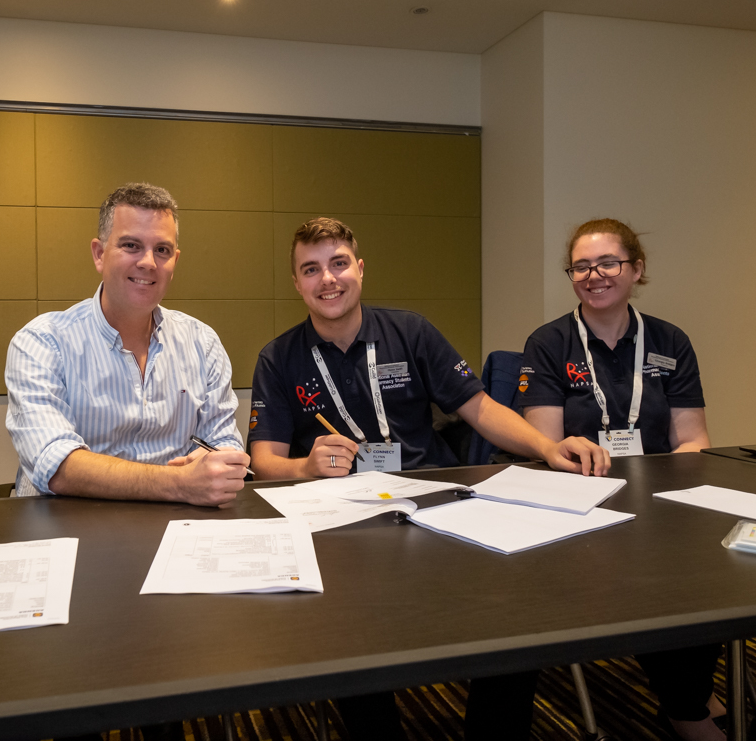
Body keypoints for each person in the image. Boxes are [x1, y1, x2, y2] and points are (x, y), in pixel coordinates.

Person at [248, 217, 611, 741]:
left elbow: (481, 409)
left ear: (360, 269)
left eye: (339, 263)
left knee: (514, 612)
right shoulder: (279, 358)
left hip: (433, 505)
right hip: (345, 523)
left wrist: (548, 447)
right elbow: (264, 461)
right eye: (311, 269)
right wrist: (304, 467)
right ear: (296, 283)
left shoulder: (411, 332)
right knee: (349, 633)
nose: (328, 279)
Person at [519, 217, 720, 741]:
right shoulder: (549, 343)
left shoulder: (670, 341)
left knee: (704, 568)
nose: (594, 275)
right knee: (643, 573)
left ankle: (689, 695)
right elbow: (546, 442)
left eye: (608, 262)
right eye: (581, 266)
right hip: (583, 501)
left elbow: (693, 440)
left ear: (636, 269)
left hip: (661, 502)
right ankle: (688, 708)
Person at [6, 182, 249, 506]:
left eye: (162, 250)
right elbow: (56, 465)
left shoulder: (202, 343)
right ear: (99, 254)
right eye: (131, 245)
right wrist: (178, 482)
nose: (148, 262)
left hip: (176, 531)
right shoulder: (42, 343)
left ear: (175, 260)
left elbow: (223, 446)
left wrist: (221, 464)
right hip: (66, 535)